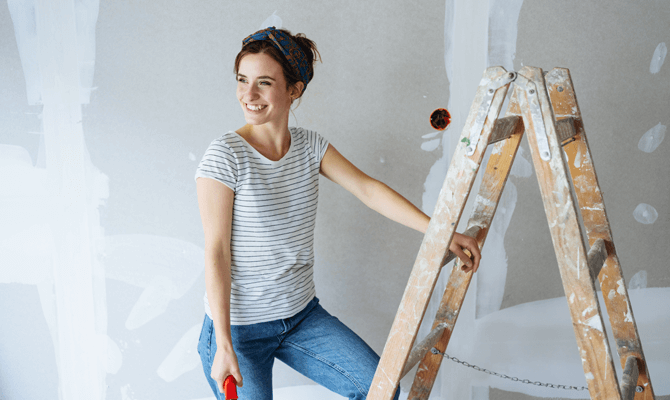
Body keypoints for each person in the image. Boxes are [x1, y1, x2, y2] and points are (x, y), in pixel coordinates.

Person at [195, 26, 481, 400]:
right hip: (237, 329)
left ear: (294, 89)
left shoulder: (310, 146)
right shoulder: (225, 155)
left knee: (380, 390)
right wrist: (224, 344)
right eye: (242, 80)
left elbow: (368, 189)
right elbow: (216, 252)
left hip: (300, 317)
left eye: (263, 82)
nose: (248, 95)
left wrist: (441, 232)